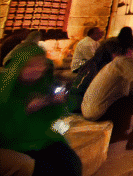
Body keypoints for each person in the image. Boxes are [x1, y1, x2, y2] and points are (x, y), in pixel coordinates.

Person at [0, 43, 82, 175]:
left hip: (43, 139)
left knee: (72, 162)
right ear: (18, 66)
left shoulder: (44, 84)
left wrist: (57, 103)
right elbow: (5, 131)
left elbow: (52, 118)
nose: (37, 69)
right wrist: (26, 110)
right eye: (30, 65)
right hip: (15, 143)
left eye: (40, 64)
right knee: (44, 169)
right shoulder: (5, 88)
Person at [81, 47, 133, 150]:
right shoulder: (124, 65)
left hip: (91, 111)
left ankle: (118, 133)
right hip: (98, 112)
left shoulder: (112, 67)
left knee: (128, 99)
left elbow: (129, 92)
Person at [70, 27, 133, 112]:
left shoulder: (100, 43)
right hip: (82, 66)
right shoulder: (88, 45)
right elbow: (92, 58)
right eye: (98, 33)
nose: (101, 35)